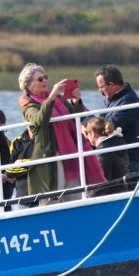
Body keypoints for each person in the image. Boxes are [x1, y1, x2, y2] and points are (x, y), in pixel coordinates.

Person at [18, 64, 104, 201]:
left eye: (45, 77)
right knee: (52, 199)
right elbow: (40, 119)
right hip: (51, 156)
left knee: (74, 195)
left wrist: (76, 102)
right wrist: (52, 95)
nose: (45, 81)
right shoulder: (29, 105)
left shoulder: (57, 99)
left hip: (69, 152)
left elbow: (74, 116)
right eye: (40, 79)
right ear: (28, 85)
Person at [95, 64, 139, 173]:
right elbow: (100, 122)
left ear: (112, 84)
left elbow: (107, 127)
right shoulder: (112, 99)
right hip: (117, 159)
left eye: (101, 87)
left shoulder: (129, 101)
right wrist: (78, 105)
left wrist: (88, 123)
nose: (99, 91)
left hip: (129, 161)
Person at [83, 116, 129, 193]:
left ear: (93, 133)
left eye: (86, 133)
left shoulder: (103, 153)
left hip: (113, 195)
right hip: (122, 190)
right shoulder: (117, 143)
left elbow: (102, 184)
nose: (86, 137)